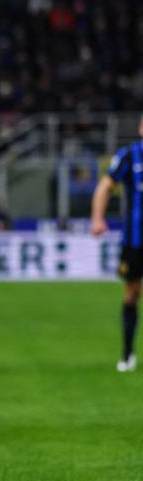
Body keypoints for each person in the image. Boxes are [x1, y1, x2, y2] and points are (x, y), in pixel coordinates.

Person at [91, 116, 143, 372]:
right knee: (132, 292)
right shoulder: (129, 156)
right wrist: (97, 218)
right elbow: (105, 186)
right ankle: (127, 353)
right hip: (135, 240)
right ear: (141, 128)